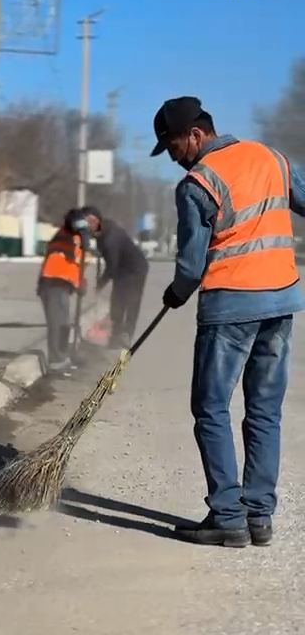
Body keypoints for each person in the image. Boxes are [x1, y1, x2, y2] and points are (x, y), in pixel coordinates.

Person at [151, 95, 305, 548]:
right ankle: (259, 516)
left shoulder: (198, 184)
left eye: (174, 146)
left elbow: (191, 268)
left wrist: (176, 293)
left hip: (231, 309)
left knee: (211, 409)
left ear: (195, 135)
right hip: (280, 301)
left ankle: (228, 516)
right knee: (264, 410)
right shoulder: (271, 158)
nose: (175, 158)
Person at [82, 206, 149, 349]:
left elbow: (112, 266)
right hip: (121, 267)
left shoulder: (110, 237)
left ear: (98, 219)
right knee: (117, 301)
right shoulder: (102, 232)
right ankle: (115, 336)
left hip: (135, 268)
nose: (89, 225)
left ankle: (125, 336)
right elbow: (111, 260)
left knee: (131, 301)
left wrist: (100, 283)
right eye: (87, 222)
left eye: (92, 221)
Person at [37, 208, 89, 377]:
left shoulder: (78, 239)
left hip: (64, 286)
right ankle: (55, 362)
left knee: (64, 325)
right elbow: (67, 256)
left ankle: (63, 358)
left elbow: (79, 265)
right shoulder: (65, 235)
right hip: (53, 283)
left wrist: (81, 283)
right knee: (57, 325)